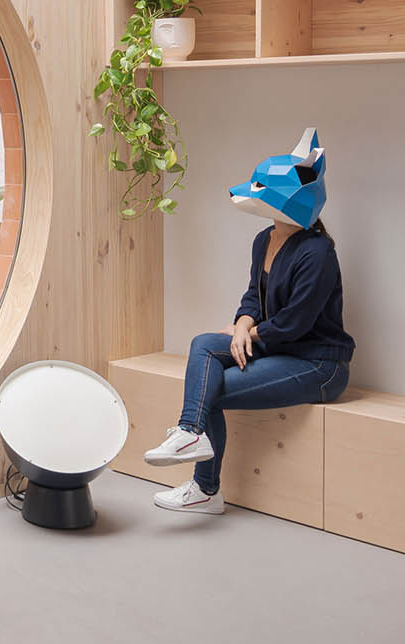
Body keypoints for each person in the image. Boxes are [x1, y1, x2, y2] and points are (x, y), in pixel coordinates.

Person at [142, 128, 353, 514]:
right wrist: (241, 324)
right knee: (204, 343)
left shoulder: (318, 252)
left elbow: (296, 323)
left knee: (210, 390)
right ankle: (189, 433)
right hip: (277, 348)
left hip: (318, 363)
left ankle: (205, 488)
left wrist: (251, 334)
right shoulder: (263, 240)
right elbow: (253, 296)